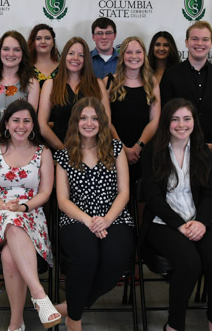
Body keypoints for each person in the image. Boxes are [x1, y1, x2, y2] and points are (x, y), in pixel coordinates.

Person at [140, 98, 212, 331]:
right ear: (167, 123)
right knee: (190, 264)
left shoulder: (202, 151)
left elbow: (210, 194)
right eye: (175, 119)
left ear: (194, 121)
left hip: (199, 220)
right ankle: (174, 325)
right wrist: (180, 225)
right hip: (163, 224)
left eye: (186, 119)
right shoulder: (153, 151)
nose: (181, 125)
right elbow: (153, 198)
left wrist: (200, 222)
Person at [0, 100, 59, 330]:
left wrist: (23, 207)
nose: (21, 125)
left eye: (27, 120)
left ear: (33, 125)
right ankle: (39, 294)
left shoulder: (44, 152)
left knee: (10, 257)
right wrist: (4, 205)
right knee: (11, 223)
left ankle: (16, 323)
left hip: (32, 214)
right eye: (16, 120)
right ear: (7, 124)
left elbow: (46, 192)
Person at [54, 97, 134, 331]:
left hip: (114, 217)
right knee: (86, 258)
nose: (89, 123)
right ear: (75, 122)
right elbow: (62, 200)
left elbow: (124, 192)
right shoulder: (64, 154)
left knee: (115, 260)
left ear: (102, 122)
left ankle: (69, 308)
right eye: (83, 118)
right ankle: (75, 321)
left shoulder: (116, 148)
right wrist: (89, 220)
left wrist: (107, 219)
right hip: (77, 218)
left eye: (95, 118)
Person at [160, 21, 212, 152]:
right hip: (179, 148)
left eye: (205, 39)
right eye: (195, 39)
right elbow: (165, 113)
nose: (200, 43)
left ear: (211, 43)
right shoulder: (171, 75)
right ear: (186, 42)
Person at [105, 36, 160, 185]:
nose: (134, 56)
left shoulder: (152, 82)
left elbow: (155, 120)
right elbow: (106, 121)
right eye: (129, 52)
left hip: (144, 150)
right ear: (122, 56)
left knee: (143, 195)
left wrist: (138, 146)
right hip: (114, 149)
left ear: (144, 55)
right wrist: (122, 148)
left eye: (138, 52)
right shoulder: (109, 82)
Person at [38, 37, 111, 151]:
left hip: (92, 153)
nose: (75, 58)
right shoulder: (50, 84)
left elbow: (106, 121)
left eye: (81, 55)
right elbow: (42, 125)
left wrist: (89, 151)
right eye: (71, 53)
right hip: (60, 152)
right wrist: (63, 150)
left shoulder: (97, 84)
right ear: (64, 56)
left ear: (86, 59)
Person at [0, 30, 39, 147]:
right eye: (6, 49)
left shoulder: (31, 83)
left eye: (16, 50)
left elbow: (29, 122)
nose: (11, 54)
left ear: (23, 53)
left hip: (21, 148)